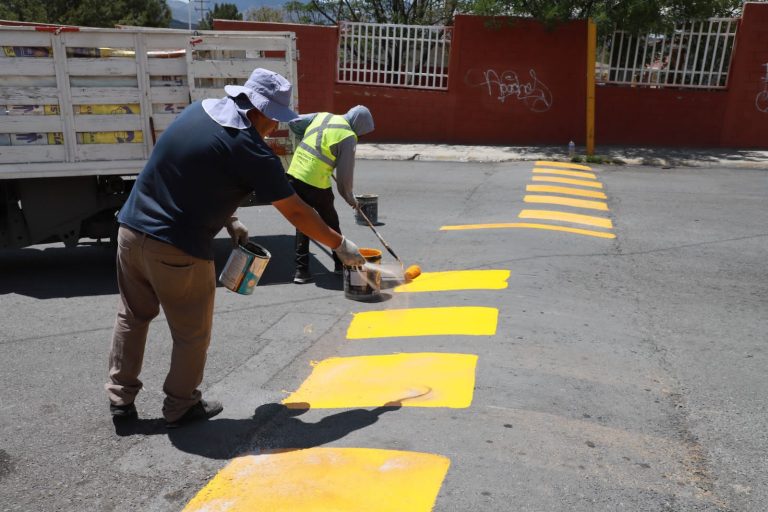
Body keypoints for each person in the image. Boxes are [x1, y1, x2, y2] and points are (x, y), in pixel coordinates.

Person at [105, 68, 366, 428]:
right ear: (259, 111)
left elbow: (187, 171)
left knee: (132, 317)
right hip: (177, 247)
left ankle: (120, 400)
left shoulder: (199, 111)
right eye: (273, 119)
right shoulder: (250, 148)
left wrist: (230, 221)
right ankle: (180, 406)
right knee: (191, 332)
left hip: (130, 231)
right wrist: (340, 245)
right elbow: (295, 210)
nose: (274, 127)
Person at [286, 105, 374, 284]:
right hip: (315, 181)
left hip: (294, 173)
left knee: (303, 221)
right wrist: (351, 199)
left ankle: (301, 271)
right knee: (331, 222)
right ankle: (340, 266)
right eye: (362, 133)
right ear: (358, 125)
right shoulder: (348, 136)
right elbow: (344, 180)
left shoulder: (323, 116)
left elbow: (294, 122)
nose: (360, 136)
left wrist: (306, 139)